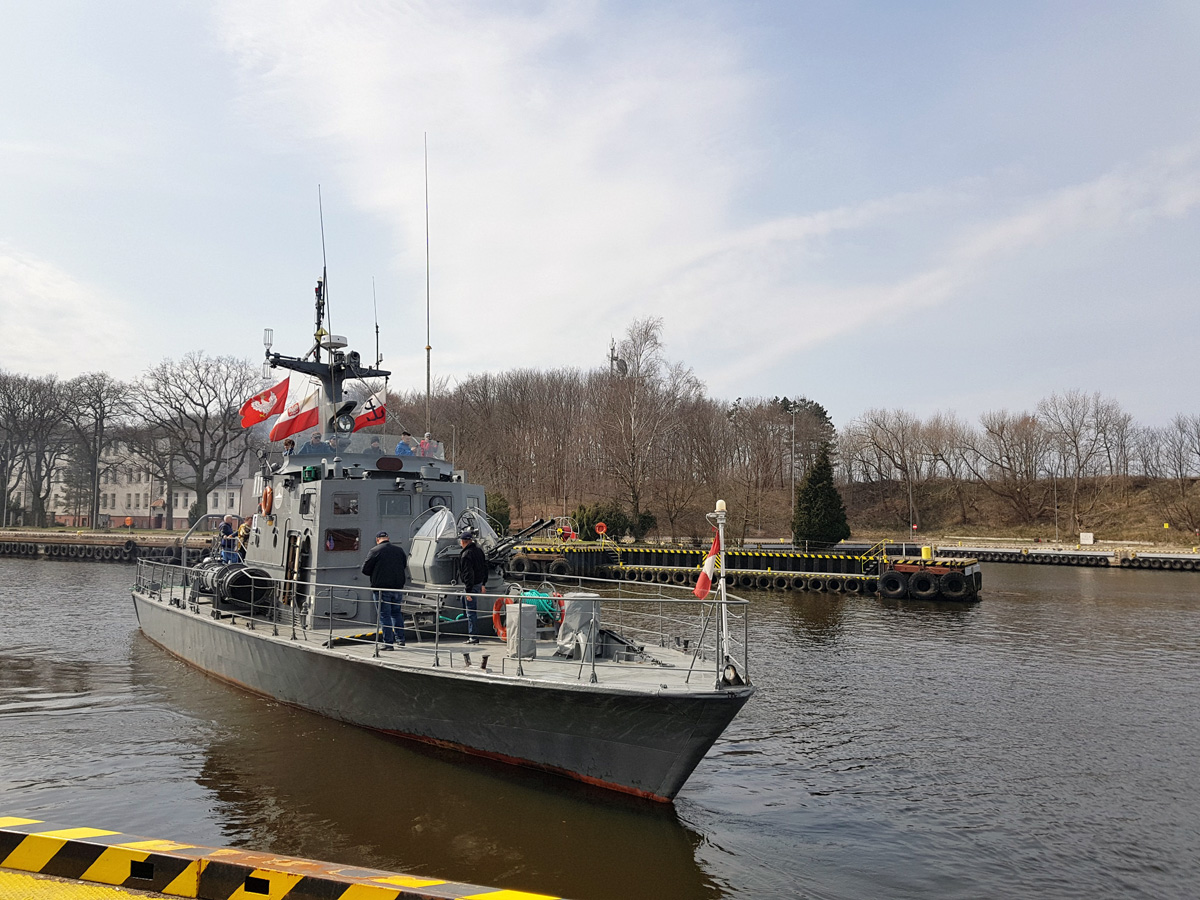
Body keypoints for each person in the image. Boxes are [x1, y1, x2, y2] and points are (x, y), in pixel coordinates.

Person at [361, 531, 409, 649]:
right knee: (396, 614)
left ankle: (388, 643)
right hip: (397, 588)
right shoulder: (399, 550)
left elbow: (365, 569)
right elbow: (403, 565)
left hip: (381, 589)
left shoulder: (375, 551)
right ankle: (400, 640)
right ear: (388, 538)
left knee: (384, 615)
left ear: (377, 540)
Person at [457, 528, 488, 643]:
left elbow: (468, 573)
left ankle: (473, 636)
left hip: (472, 586)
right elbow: (484, 567)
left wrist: (468, 590)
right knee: (463, 601)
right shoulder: (479, 551)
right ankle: (466, 625)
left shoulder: (466, 555)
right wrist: (483, 583)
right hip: (479, 583)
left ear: (463, 542)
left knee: (471, 612)